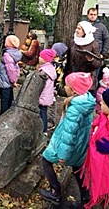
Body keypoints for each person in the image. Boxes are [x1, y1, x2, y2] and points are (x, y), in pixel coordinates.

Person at [39, 72, 95, 206]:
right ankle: (86, 200)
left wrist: (63, 154)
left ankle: (55, 192)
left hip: (69, 146)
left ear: (74, 90)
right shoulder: (86, 101)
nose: (64, 87)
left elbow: (69, 134)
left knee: (45, 160)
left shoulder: (75, 108)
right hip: (80, 146)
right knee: (78, 171)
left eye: (67, 85)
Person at [66, 21, 101, 96]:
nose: (76, 30)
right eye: (76, 28)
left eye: (79, 29)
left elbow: (98, 64)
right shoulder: (73, 42)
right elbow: (69, 61)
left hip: (86, 79)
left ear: (85, 31)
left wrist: (91, 60)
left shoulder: (93, 44)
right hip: (74, 77)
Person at [0, 35, 22, 115]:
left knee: (4, 101)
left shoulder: (7, 55)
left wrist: (13, 81)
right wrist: (15, 79)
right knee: (10, 100)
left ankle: (3, 117)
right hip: (9, 82)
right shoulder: (14, 54)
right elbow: (16, 68)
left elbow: (10, 69)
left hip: (5, 81)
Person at [38, 49, 57, 135]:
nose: (39, 58)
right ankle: (44, 130)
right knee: (44, 112)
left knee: (41, 113)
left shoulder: (44, 72)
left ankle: (43, 130)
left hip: (42, 95)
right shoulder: (51, 69)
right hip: (47, 95)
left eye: (41, 57)